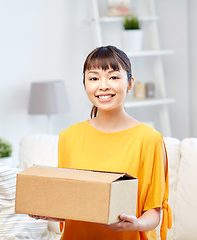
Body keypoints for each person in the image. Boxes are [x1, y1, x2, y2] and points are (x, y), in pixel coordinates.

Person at [30, 45, 172, 240]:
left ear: (130, 83)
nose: (103, 85)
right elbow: (72, 202)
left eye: (113, 77)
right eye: (94, 78)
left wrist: (136, 224)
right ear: (85, 84)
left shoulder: (149, 139)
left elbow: (154, 212)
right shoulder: (69, 136)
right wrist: (49, 211)